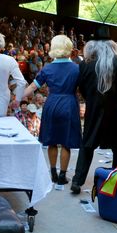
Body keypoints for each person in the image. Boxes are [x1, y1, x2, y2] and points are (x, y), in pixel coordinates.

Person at [70, 27, 117, 195]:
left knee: (88, 145)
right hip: (116, 111)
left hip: (94, 109)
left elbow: (82, 88)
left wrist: (92, 99)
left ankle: (77, 181)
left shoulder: (86, 64)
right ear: (111, 45)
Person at [23, 35, 80, 185]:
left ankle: (53, 172)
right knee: (66, 142)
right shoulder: (76, 68)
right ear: (69, 49)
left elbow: (33, 87)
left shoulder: (47, 68)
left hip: (52, 103)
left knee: (52, 140)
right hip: (69, 103)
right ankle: (62, 175)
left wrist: (17, 99)